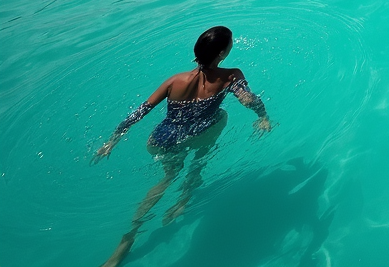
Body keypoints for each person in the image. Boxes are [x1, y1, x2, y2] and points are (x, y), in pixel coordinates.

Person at [92, 26, 271, 267]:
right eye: (230, 44)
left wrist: (112, 140)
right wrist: (263, 117)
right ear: (220, 54)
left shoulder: (175, 80)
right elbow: (248, 99)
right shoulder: (231, 75)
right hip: (194, 137)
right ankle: (185, 197)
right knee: (221, 118)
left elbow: (140, 112)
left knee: (165, 180)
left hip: (159, 140)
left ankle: (127, 239)